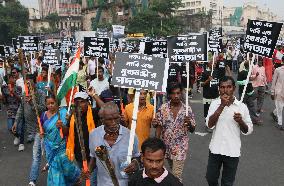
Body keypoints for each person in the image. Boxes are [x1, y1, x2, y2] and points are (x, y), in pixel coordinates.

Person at [206, 76, 253, 186]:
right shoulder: (214, 104)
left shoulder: (242, 107)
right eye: (222, 87)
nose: (225, 90)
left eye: (229, 87)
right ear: (219, 89)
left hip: (232, 151)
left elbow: (248, 130)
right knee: (210, 179)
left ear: (234, 88)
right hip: (215, 149)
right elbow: (209, 124)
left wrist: (241, 121)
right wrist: (221, 106)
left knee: (227, 183)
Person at [88, 102, 140, 186]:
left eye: (116, 118)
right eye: (109, 119)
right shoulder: (93, 134)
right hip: (102, 183)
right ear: (102, 120)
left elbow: (137, 157)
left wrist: (135, 163)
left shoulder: (131, 136)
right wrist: (88, 171)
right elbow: (93, 157)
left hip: (125, 183)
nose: (114, 122)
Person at [154, 83, 196, 182]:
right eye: (173, 93)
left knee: (176, 176)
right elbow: (159, 126)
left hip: (180, 148)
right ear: (169, 95)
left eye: (178, 93)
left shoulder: (187, 110)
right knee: (170, 172)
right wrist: (156, 144)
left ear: (181, 94)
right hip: (166, 147)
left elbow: (193, 129)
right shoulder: (163, 108)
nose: (176, 96)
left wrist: (189, 123)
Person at [41, 94, 83, 185]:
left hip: (62, 146)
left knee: (67, 167)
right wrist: (41, 133)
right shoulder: (43, 115)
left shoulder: (63, 113)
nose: (51, 105)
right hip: (50, 147)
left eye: (53, 103)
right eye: (48, 104)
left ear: (57, 103)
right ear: (45, 105)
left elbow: (67, 132)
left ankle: (75, 178)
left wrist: (62, 125)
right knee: (55, 168)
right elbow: (43, 129)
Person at [65, 92, 96, 172]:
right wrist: (61, 125)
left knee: (92, 181)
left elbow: (104, 107)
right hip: (79, 155)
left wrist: (94, 95)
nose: (79, 104)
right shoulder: (72, 116)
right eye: (77, 102)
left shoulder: (93, 113)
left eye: (82, 102)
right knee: (84, 177)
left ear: (87, 102)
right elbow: (66, 133)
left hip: (93, 155)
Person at [0, 75, 23, 150]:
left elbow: (20, 99)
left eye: (14, 77)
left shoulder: (18, 88)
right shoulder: (4, 89)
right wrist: (2, 98)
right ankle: (17, 136)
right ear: (8, 80)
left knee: (19, 128)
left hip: (18, 109)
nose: (13, 79)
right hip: (10, 110)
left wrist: (13, 92)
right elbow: (4, 102)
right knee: (10, 128)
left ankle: (21, 143)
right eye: (12, 78)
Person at [237, 60, 261, 125]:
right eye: (250, 65)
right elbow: (238, 82)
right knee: (241, 107)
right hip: (243, 93)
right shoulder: (242, 72)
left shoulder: (248, 72)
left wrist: (255, 76)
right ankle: (239, 119)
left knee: (251, 106)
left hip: (249, 92)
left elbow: (250, 79)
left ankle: (255, 120)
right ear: (248, 66)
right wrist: (246, 81)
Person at [270, 62, 284, 130]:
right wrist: (272, 92)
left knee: (280, 106)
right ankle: (280, 124)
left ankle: (273, 113)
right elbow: (274, 81)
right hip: (279, 92)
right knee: (280, 108)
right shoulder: (278, 70)